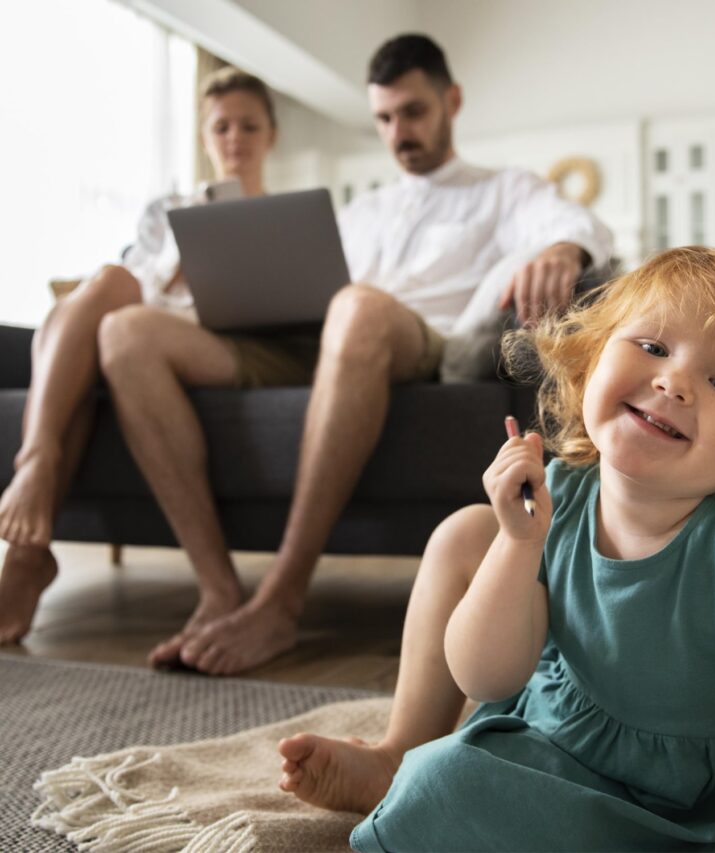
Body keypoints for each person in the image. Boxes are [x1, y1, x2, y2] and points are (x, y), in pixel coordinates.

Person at [276, 247, 715, 852]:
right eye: (651, 346)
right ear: (589, 359)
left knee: (444, 785)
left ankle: (414, 772)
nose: (674, 381)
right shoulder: (565, 488)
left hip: (679, 803)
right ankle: (399, 748)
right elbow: (487, 675)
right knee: (468, 534)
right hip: (561, 713)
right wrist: (519, 547)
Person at [95, 33, 613, 675]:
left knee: (359, 307)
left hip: (415, 341)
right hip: (320, 339)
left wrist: (563, 250)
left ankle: (281, 600)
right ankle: (218, 588)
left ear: (451, 101)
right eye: (385, 118)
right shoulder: (362, 211)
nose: (399, 132)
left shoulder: (504, 189)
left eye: (414, 112)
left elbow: (580, 225)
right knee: (126, 333)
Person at [0, 67, 279, 645]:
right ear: (205, 137)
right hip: (134, 322)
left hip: (209, 338)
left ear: (270, 135)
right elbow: (135, 275)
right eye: (221, 127)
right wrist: (185, 249)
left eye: (248, 126)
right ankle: (38, 465)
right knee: (103, 289)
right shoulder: (165, 211)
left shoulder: (283, 220)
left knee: (98, 316)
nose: (235, 139)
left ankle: (27, 545)